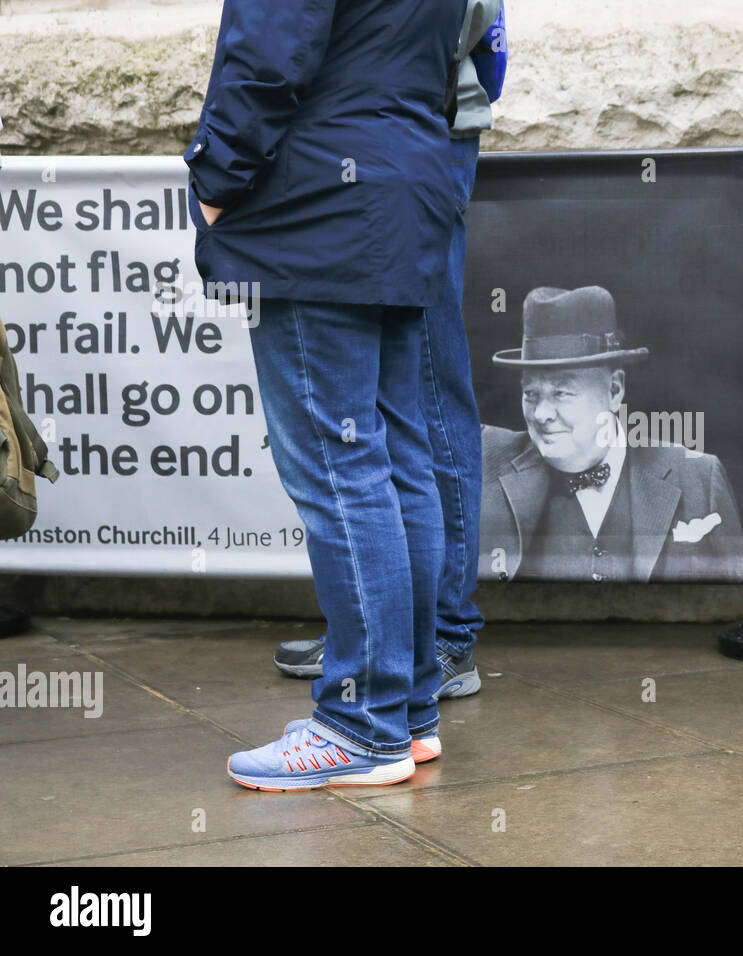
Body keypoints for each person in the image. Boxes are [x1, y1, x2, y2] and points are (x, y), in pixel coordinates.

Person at [185, 0, 468, 790]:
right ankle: (404, 710)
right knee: (396, 459)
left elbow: (267, 57)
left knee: (341, 469)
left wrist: (215, 179)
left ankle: (359, 723)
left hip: (322, 203)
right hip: (405, 186)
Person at [272, 1, 507, 703]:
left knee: (423, 398)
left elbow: (486, 51)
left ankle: (436, 636)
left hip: (408, 145)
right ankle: (387, 635)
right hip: (400, 144)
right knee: (390, 409)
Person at [480, 286, 743, 583]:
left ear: (614, 390)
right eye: (531, 393)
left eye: (562, 393)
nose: (541, 414)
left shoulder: (698, 476)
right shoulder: (486, 462)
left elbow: (739, 608)